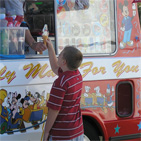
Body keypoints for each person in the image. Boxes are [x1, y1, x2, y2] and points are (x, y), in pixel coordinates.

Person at [43, 39, 84, 141]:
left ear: (64, 62)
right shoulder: (77, 75)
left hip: (62, 134)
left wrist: (46, 131)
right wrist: (50, 47)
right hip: (77, 131)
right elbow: (54, 67)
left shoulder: (60, 83)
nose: (58, 55)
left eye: (60, 54)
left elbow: (54, 110)